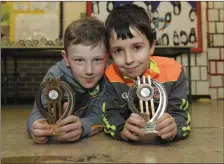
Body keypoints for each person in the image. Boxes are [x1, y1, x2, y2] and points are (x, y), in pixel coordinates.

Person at [102, 4, 191, 142]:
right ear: (110, 53)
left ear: (152, 46)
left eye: (137, 47)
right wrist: (120, 129)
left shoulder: (174, 71)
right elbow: (110, 114)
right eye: (118, 51)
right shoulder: (111, 75)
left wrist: (175, 127)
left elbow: (181, 115)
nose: (129, 60)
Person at [27, 16, 109, 143]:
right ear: (66, 58)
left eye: (97, 60)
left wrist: (83, 126)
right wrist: (35, 127)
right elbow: (37, 113)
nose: (89, 71)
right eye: (79, 60)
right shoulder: (55, 76)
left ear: (107, 57)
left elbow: (102, 114)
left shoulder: (108, 77)